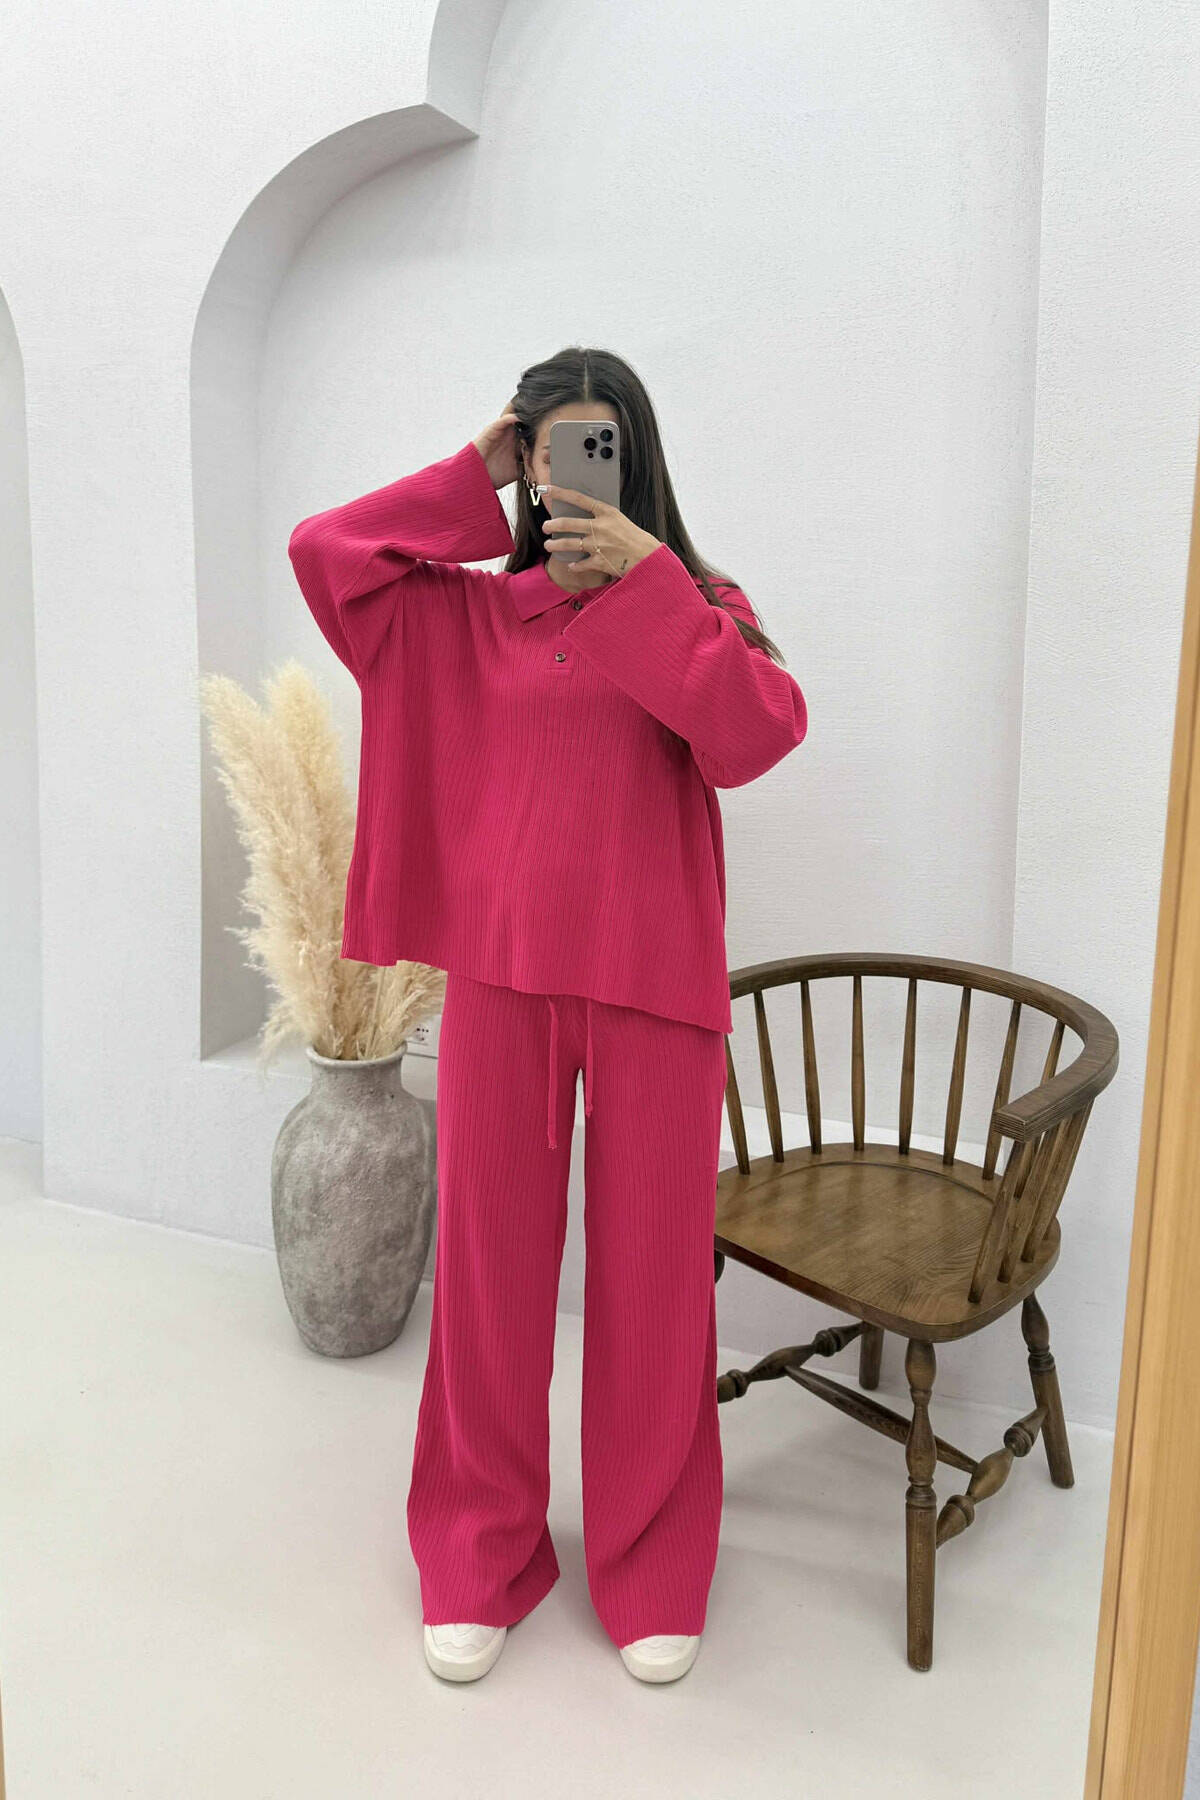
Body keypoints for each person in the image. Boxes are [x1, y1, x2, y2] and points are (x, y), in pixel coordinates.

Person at [286, 346, 808, 1685]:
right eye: (549, 449)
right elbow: (325, 552)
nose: (573, 475)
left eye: (598, 449)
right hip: (503, 984)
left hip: (658, 987)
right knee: (488, 1283)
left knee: (653, 1292)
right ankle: (480, 1549)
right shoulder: (464, 616)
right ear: (522, 462)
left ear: (637, 461)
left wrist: (648, 579)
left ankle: (652, 1563)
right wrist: (467, 474)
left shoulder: (702, 606)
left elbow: (758, 734)